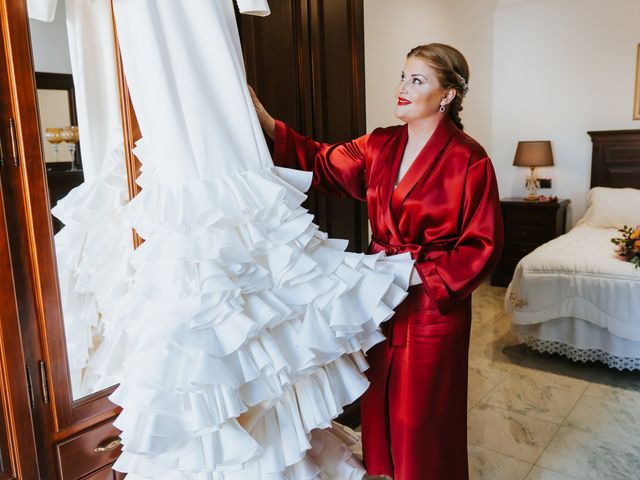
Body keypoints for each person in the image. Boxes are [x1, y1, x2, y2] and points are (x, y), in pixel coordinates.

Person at [251, 43, 504, 480]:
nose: (402, 88)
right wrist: (266, 123)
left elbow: (482, 245)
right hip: (377, 299)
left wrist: (415, 274)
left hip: (431, 308)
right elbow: (320, 162)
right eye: (403, 76)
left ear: (447, 95)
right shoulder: (381, 143)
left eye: (417, 80)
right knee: (380, 403)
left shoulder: (469, 158)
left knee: (422, 418)